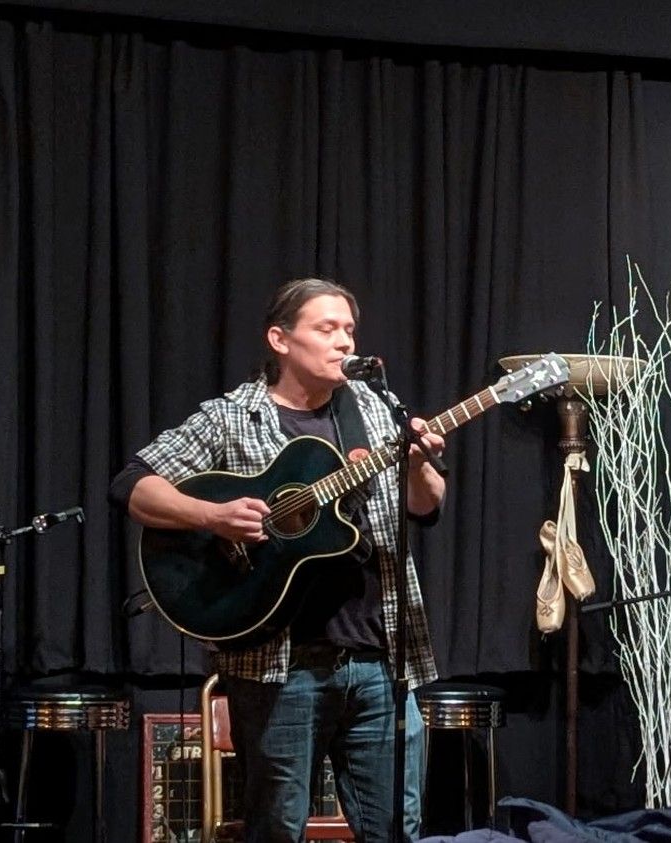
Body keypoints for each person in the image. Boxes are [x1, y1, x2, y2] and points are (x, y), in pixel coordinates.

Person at [110, 278, 446, 843]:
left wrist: (417, 466)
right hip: (279, 666)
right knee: (275, 829)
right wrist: (211, 515)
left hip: (381, 660)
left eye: (349, 329)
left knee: (396, 828)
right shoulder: (231, 417)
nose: (345, 341)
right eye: (327, 328)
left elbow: (426, 506)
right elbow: (132, 485)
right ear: (280, 339)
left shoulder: (376, 409)